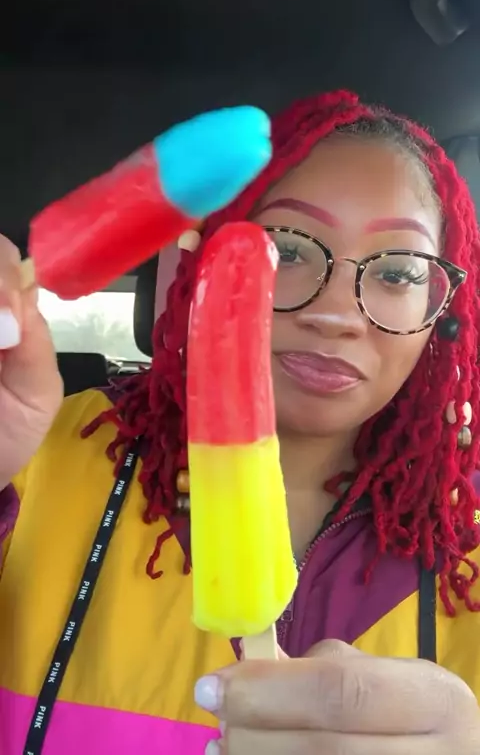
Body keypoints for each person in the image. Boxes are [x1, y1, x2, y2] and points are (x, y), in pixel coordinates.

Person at [0, 89, 479, 755]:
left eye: (398, 272)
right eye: (288, 251)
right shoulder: (41, 452)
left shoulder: (465, 533)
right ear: (204, 264)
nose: (337, 314)